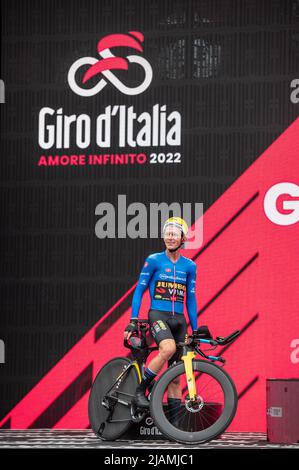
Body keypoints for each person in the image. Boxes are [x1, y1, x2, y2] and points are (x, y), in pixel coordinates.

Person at [124, 217, 198, 412]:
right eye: (167, 233)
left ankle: (174, 427)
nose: (170, 237)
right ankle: (140, 392)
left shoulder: (190, 266)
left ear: (183, 238)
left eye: (174, 234)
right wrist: (133, 320)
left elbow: (190, 299)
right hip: (158, 315)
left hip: (180, 321)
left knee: (175, 378)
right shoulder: (154, 260)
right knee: (168, 348)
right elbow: (139, 291)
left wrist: (196, 329)